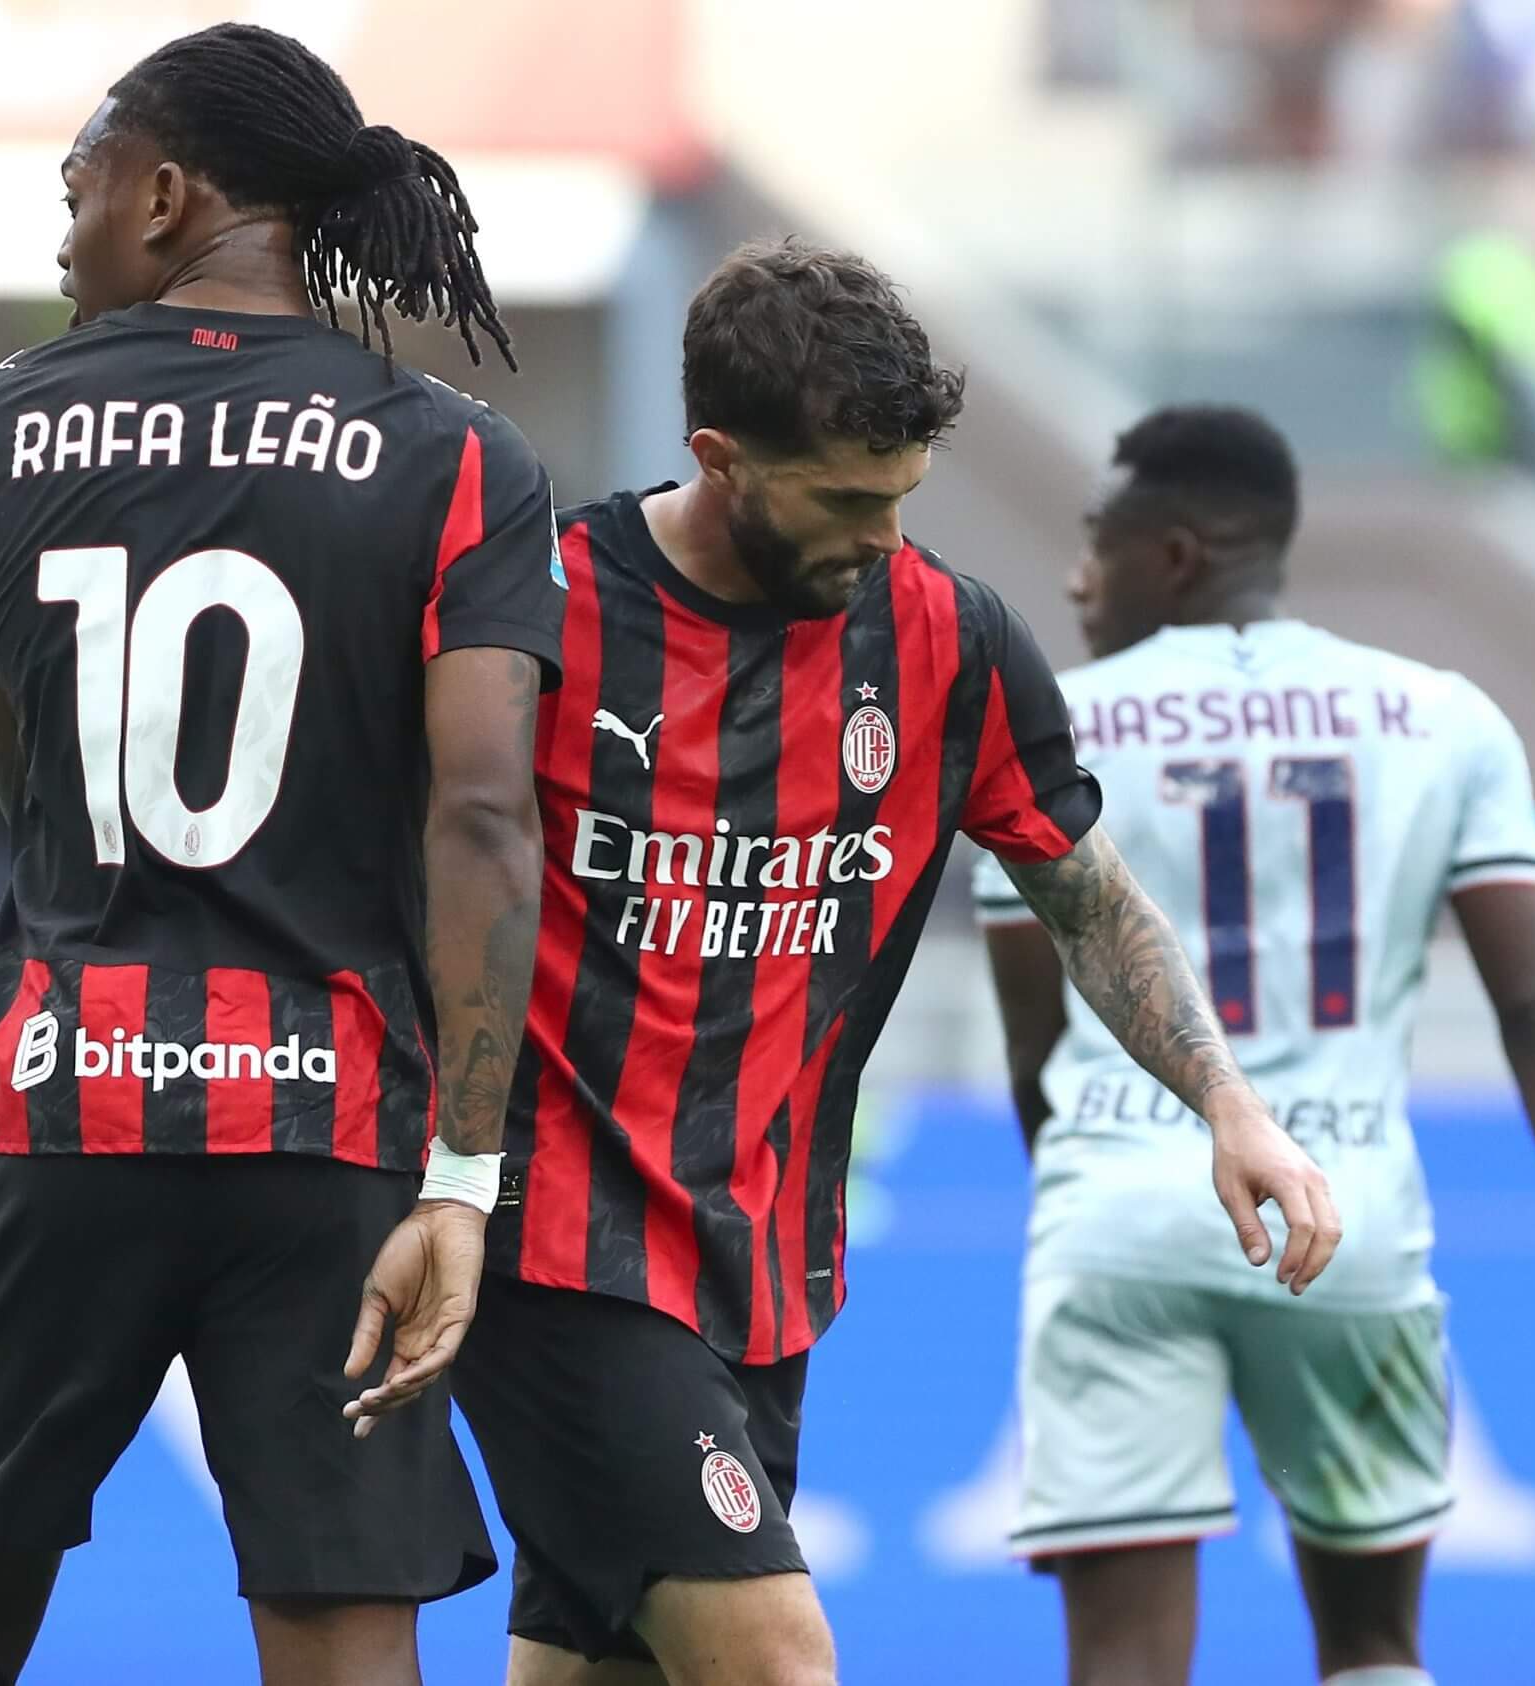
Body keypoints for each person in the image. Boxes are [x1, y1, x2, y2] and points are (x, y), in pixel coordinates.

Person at [434, 240, 1341, 1686]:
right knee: (778, 1660)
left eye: (902, 494)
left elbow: (1088, 899)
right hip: (558, 1252)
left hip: (765, 1265)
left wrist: (1229, 1102)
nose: (882, 531)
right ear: (719, 457)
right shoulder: (543, 608)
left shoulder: (948, 637)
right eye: (848, 499)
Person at [0, 24, 567, 1686]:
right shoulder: (458, 456)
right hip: (325, 1133)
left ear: (170, 193)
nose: (64, 230)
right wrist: (464, 1179)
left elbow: (29, 791)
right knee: (337, 1639)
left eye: (80, 184)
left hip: (61, 1101)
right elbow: (482, 817)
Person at [973, 406, 1535, 1686]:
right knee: (1371, 1646)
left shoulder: (1052, 727)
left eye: (1099, 543)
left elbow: (1035, 1052)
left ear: (1176, 555)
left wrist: (1094, 1190)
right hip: (1345, 1215)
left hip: (1122, 1214)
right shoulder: (1441, 716)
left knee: (1123, 1663)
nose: (1076, 577)